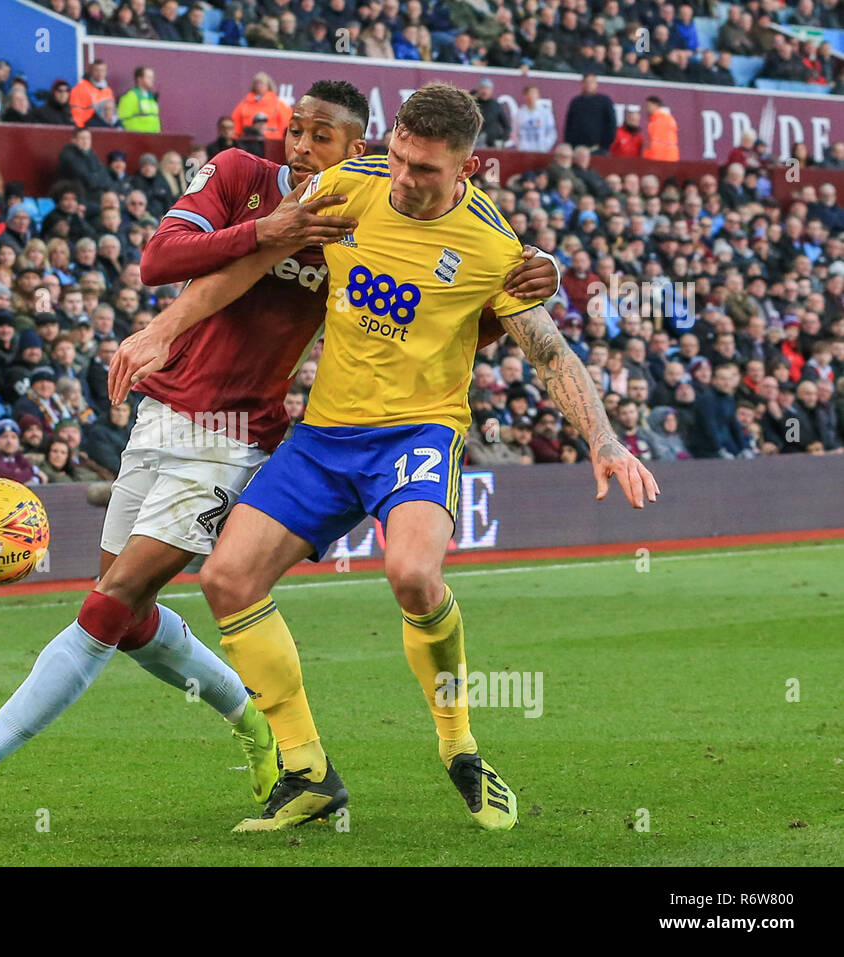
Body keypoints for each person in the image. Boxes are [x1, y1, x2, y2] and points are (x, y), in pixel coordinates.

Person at [0, 80, 559, 834]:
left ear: (360, 153)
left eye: (324, 137)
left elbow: (472, 277)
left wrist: (543, 266)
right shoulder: (242, 176)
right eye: (297, 130)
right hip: (160, 415)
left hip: (234, 433)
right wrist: (264, 233)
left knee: (106, 604)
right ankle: (253, 722)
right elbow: (160, 259)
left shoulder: (355, 212)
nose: (304, 147)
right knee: (131, 614)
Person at [112, 82, 654, 833]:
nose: (403, 178)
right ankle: (307, 773)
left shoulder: (492, 246)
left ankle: (459, 745)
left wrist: (604, 439)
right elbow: (247, 262)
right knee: (228, 577)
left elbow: (550, 350)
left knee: (412, 572)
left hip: (417, 434)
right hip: (325, 434)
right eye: (398, 158)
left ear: (465, 169)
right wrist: (163, 331)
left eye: (425, 170)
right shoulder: (345, 189)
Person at [116, 66, 161, 133]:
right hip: (137, 139)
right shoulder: (130, 97)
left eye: (152, 77)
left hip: (153, 138)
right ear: (139, 79)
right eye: (148, 77)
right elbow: (122, 120)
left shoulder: (151, 97)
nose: (152, 80)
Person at [642, 95, 680, 162]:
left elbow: (658, 144)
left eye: (648, 106)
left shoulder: (660, 120)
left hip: (661, 160)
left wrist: (653, 162)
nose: (647, 109)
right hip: (668, 159)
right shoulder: (665, 118)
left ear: (656, 105)